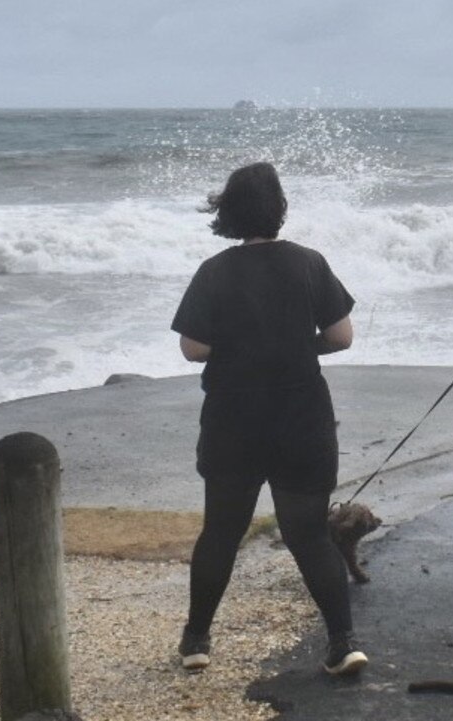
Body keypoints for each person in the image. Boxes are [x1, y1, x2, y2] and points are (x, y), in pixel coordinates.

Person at [170, 162, 367, 676]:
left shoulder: (215, 270)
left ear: (228, 212)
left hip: (234, 419)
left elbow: (194, 348)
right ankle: (343, 643)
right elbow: (342, 337)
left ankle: (196, 641)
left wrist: (239, 351)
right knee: (308, 534)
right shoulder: (308, 263)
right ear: (279, 209)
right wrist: (301, 347)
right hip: (301, 417)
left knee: (221, 531)